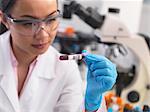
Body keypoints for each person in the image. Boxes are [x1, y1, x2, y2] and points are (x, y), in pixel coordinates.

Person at [0, 0, 117, 112]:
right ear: (4, 19)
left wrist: (91, 106)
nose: (43, 35)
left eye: (51, 19)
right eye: (28, 23)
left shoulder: (65, 69)